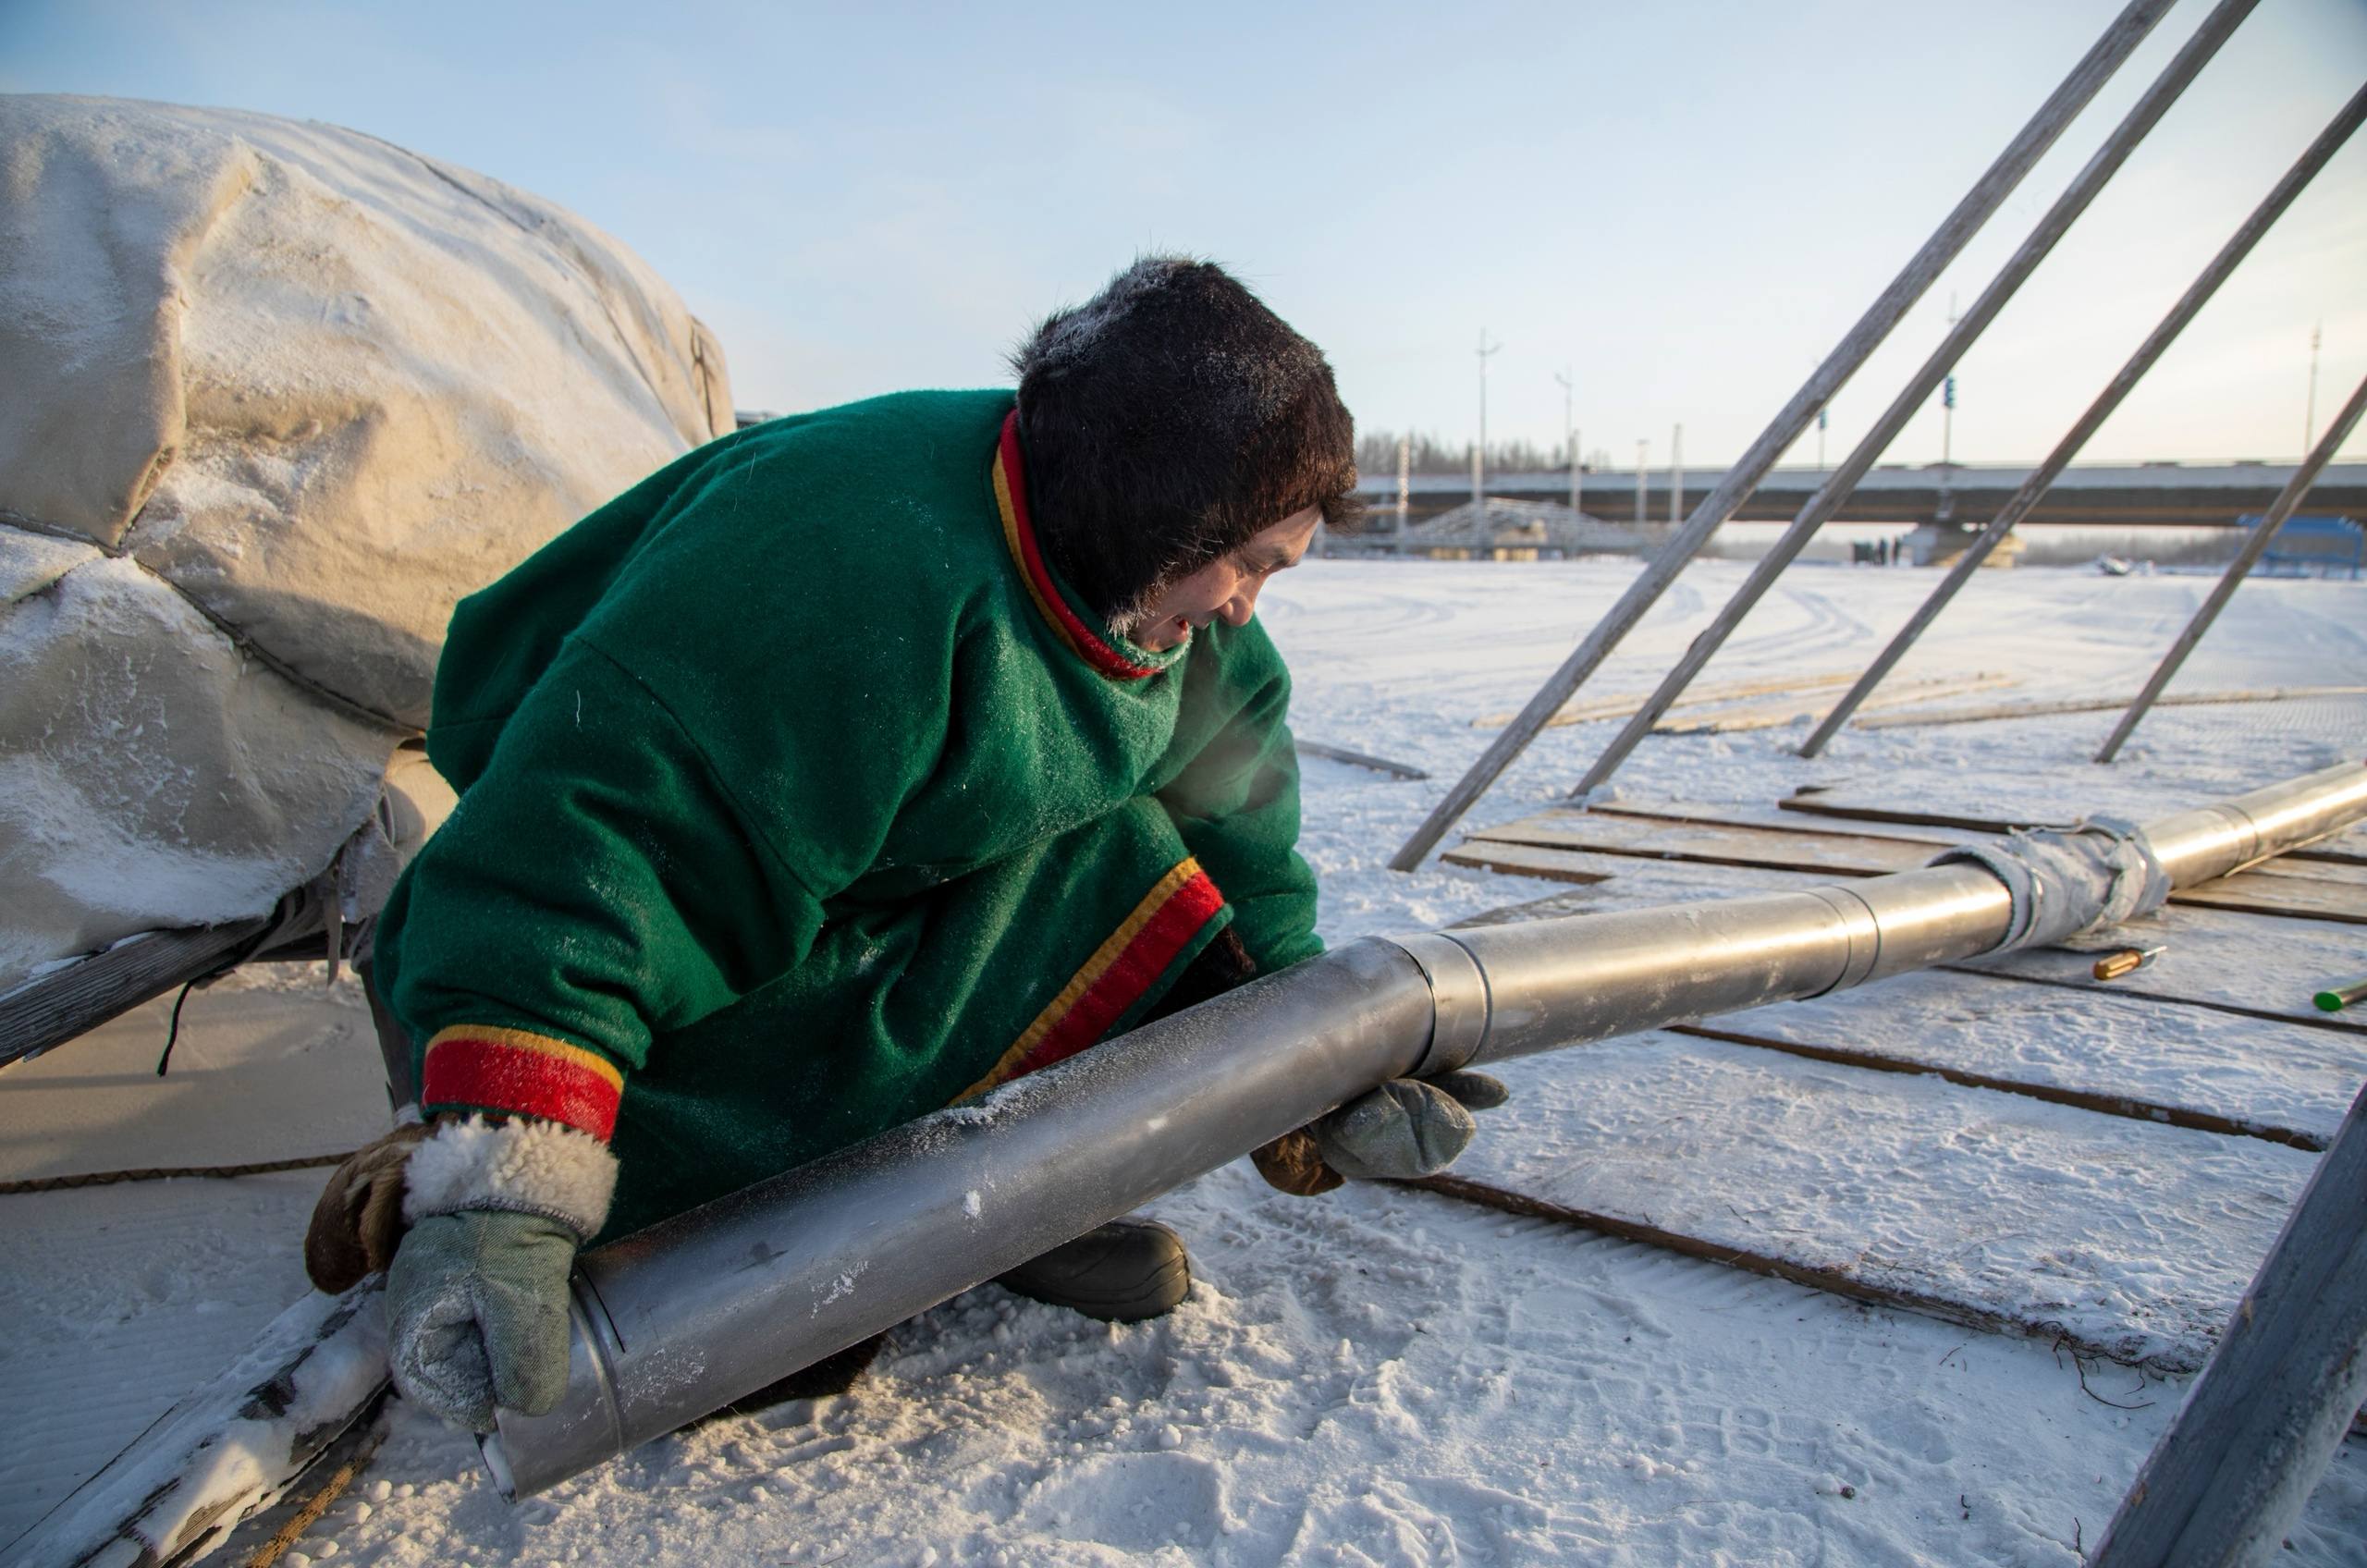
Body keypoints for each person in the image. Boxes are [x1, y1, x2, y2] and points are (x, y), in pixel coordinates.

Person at [302, 256, 1502, 1434]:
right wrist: (501, 1168)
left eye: (1275, 571)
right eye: (1245, 563)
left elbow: (1240, 841)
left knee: (1138, 880)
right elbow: (598, 848)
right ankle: (436, 1166)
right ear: (1158, 511)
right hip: (562, 963)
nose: (1245, 604)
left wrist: (1317, 1053)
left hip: (853, 898)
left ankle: (1003, 1210)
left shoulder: (1179, 616)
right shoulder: (848, 573)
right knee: (710, 1308)